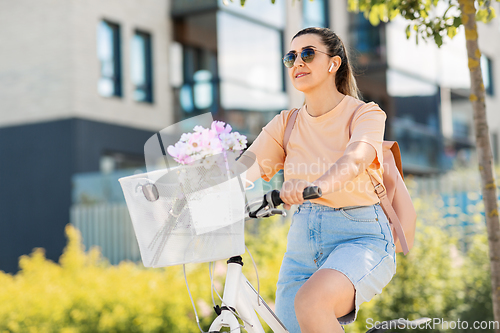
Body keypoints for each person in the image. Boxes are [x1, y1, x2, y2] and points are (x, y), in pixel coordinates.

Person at [239, 27, 396, 333]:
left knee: (311, 302)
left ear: (333, 63)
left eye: (308, 54)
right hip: (301, 242)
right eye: (291, 57)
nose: (298, 62)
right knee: (289, 326)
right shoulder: (286, 123)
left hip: (360, 235)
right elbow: (244, 169)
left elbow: (356, 158)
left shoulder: (365, 114)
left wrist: (316, 186)